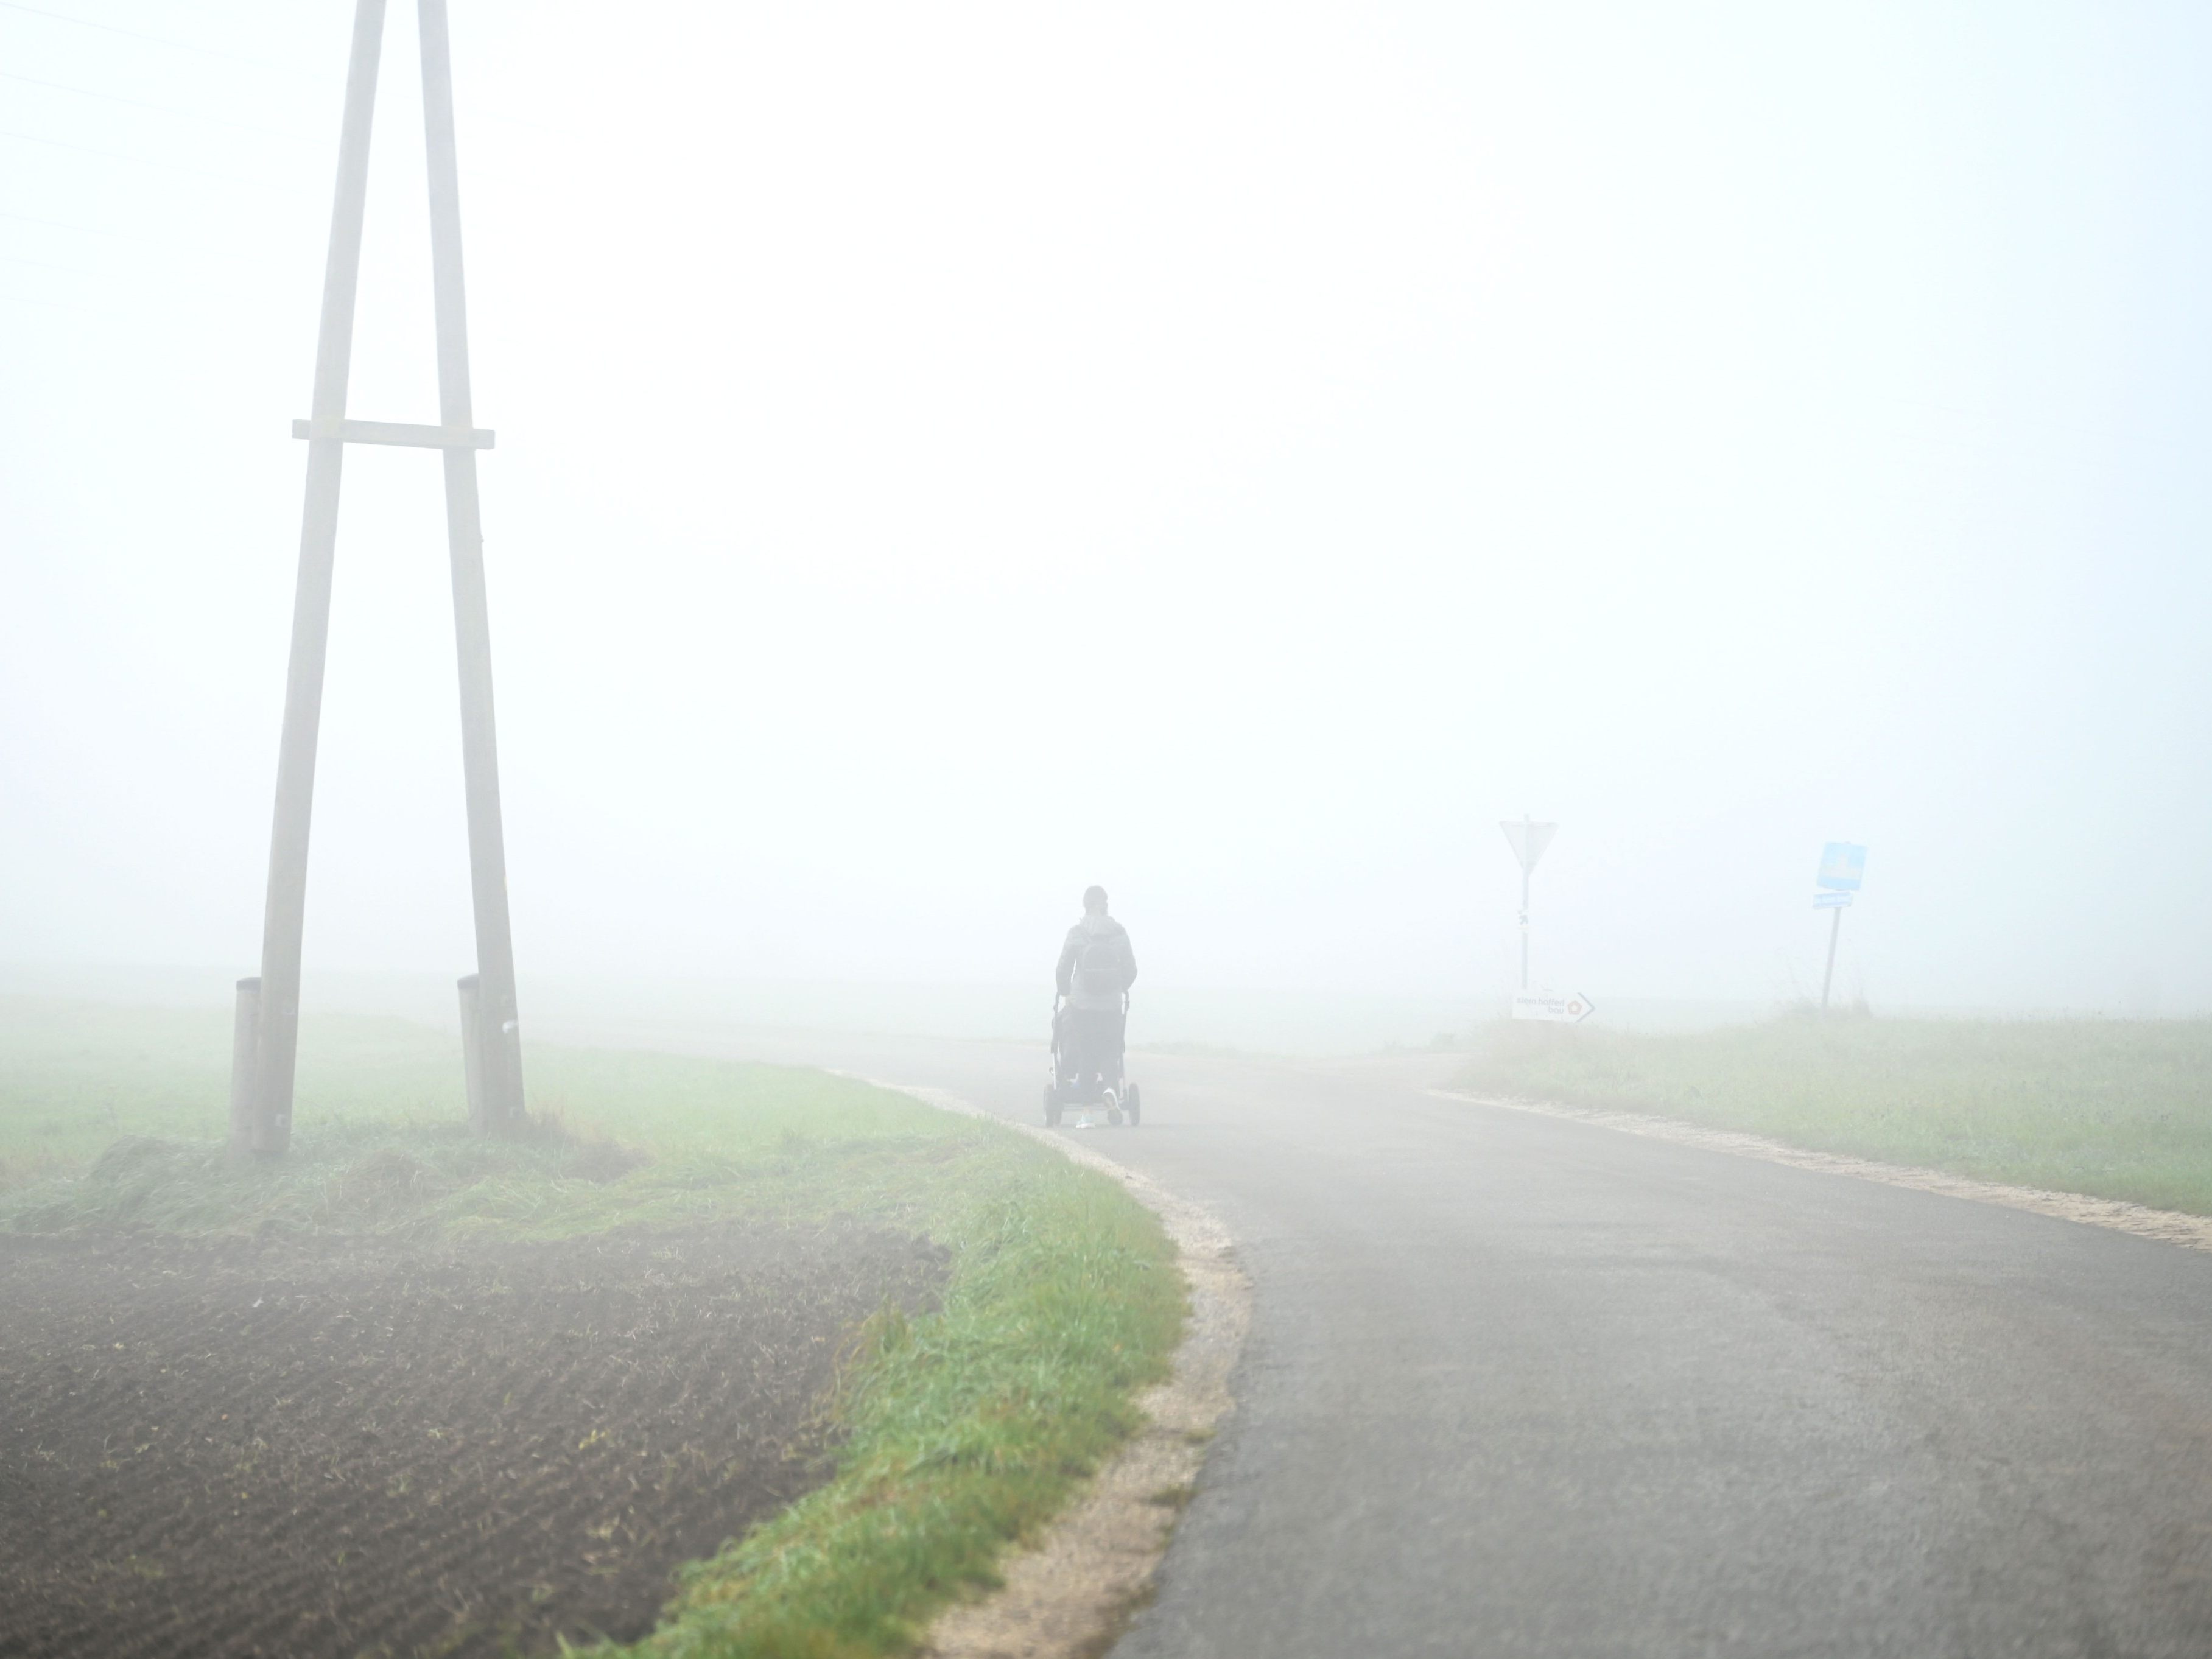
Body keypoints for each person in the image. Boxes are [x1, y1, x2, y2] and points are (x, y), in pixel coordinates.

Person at [1055, 885, 1137, 1093]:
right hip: (1111, 1005)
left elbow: (1063, 970)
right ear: (1105, 905)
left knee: (1087, 1050)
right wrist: (1118, 987)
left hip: (1082, 1006)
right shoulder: (1119, 933)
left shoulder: (1077, 933)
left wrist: (1066, 992)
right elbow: (1131, 970)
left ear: (1085, 906)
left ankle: (1086, 1099)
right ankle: (1111, 1091)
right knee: (1110, 1050)